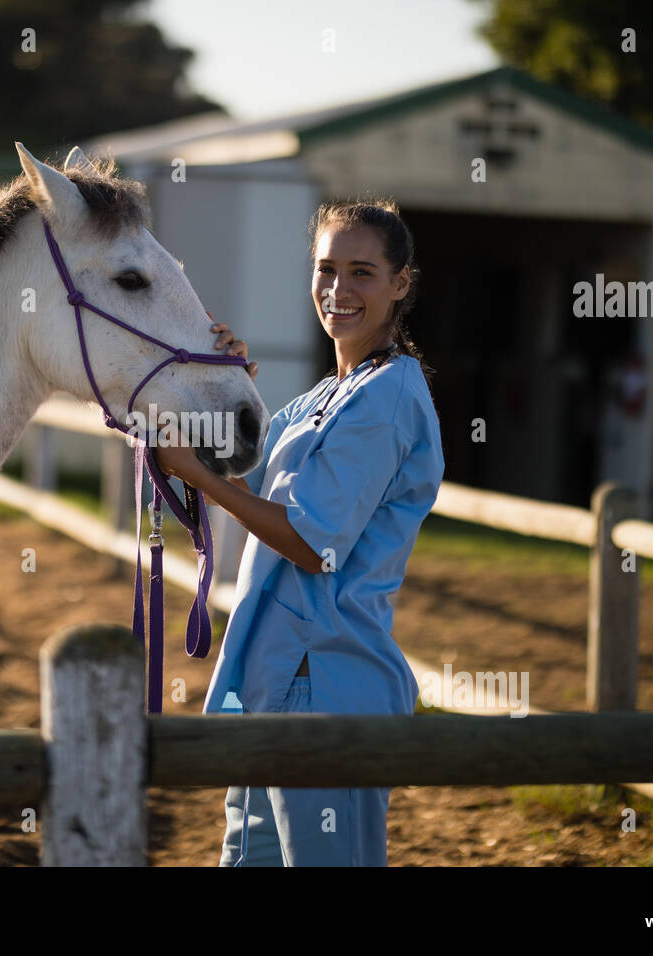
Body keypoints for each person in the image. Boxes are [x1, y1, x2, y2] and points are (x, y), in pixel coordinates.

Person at [155, 199, 444, 866]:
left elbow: (315, 545)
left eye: (362, 272)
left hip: (328, 680)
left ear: (401, 283)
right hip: (271, 675)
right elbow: (245, 462)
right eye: (327, 270)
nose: (338, 290)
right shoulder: (327, 393)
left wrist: (200, 480)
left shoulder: (387, 398)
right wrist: (222, 380)